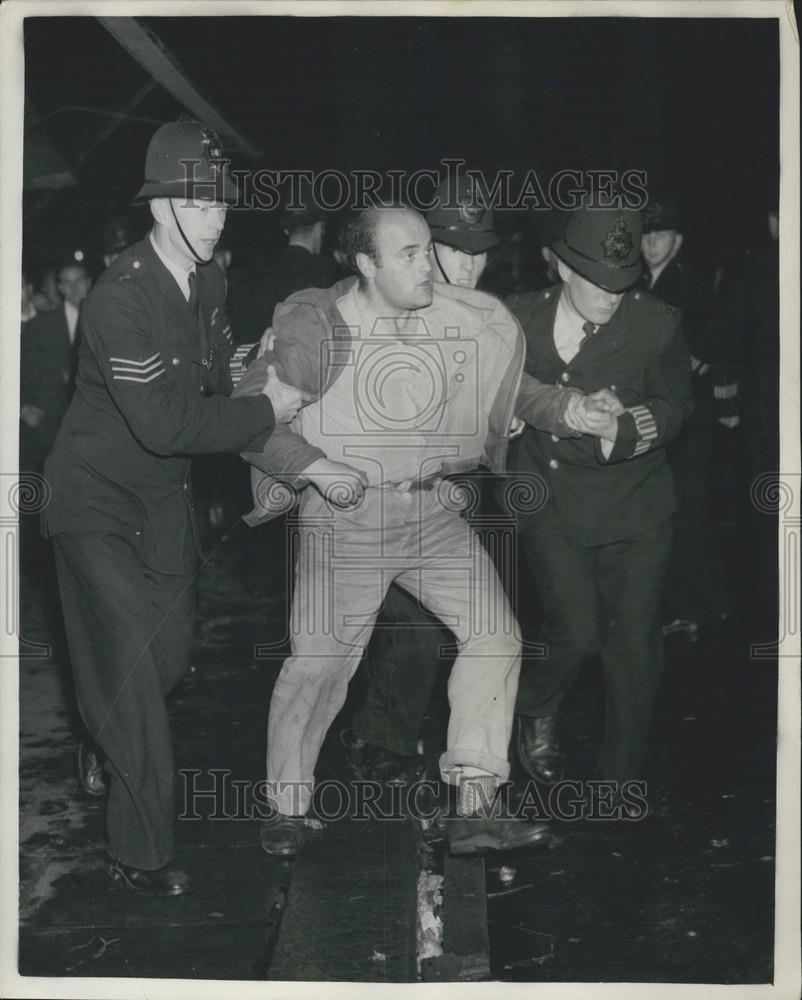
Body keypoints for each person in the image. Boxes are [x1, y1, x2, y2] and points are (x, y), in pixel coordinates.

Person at [235, 204, 598, 858]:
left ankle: (476, 805)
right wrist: (315, 466)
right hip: (346, 520)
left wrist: (571, 409)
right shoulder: (315, 327)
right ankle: (287, 808)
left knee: (495, 634)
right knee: (320, 664)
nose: (427, 263)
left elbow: (513, 389)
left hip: (432, 513)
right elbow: (251, 418)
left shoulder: (459, 317)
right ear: (365, 263)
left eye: (428, 249)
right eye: (407, 254)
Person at [42, 120, 306, 897]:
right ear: (161, 208)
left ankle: (102, 734)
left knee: (164, 663)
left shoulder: (212, 280)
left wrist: (261, 373)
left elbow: (216, 380)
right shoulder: (118, 300)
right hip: (90, 501)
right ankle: (140, 852)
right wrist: (268, 411)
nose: (215, 218)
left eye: (222, 205)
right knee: (131, 679)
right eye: (199, 205)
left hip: (160, 504)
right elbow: (167, 424)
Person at [507, 204, 693, 800]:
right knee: (577, 631)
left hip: (635, 507)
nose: (613, 296)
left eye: (623, 280)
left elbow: (674, 405)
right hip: (549, 498)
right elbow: (491, 389)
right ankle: (533, 704)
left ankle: (619, 783)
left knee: (634, 645)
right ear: (561, 267)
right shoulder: (518, 319)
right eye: (598, 282)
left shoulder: (657, 322)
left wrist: (620, 426)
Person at [345, 176, 502, 784]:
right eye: (454, 250)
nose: (469, 264)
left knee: (483, 630)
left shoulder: (493, 316)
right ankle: (380, 738)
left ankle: (475, 763)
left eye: (479, 250)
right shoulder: (397, 307)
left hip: (472, 489)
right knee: (410, 626)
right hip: (391, 495)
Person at [639, 196, 732, 634]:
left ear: (677, 239)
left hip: (689, 420)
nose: (650, 242)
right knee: (667, 514)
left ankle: (693, 608)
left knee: (689, 515)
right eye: (645, 233)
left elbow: (711, 351)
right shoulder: (643, 282)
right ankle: (679, 604)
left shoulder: (688, 285)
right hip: (661, 417)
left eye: (659, 234)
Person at [20, 259, 91, 471]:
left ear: (89, 282)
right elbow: (22, 372)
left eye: (79, 280)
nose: (73, 287)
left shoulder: (107, 318)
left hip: (93, 424)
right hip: (50, 427)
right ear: (59, 287)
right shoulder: (41, 324)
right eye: (66, 282)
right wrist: (23, 407)